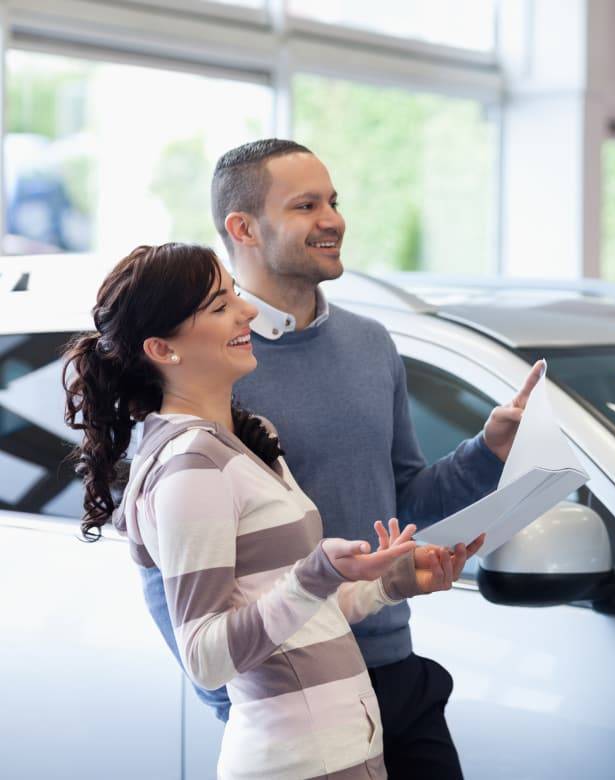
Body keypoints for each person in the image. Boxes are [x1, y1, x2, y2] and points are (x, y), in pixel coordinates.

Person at [138, 139, 543, 778]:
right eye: (306, 205)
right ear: (242, 227)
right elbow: (170, 564)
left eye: (333, 201)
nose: (333, 219)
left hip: (389, 660)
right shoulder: (210, 361)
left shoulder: (370, 344)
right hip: (288, 689)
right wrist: (230, 695)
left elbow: (401, 502)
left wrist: (488, 450)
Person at [64, 243, 474, 778]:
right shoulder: (191, 466)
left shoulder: (247, 439)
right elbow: (206, 656)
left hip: (345, 751)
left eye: (234, 293)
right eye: (219, 305)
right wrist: (316, 573)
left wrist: (389, 584)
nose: (247, 310)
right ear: (163, 350)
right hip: (299, 763)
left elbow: (293, 618)